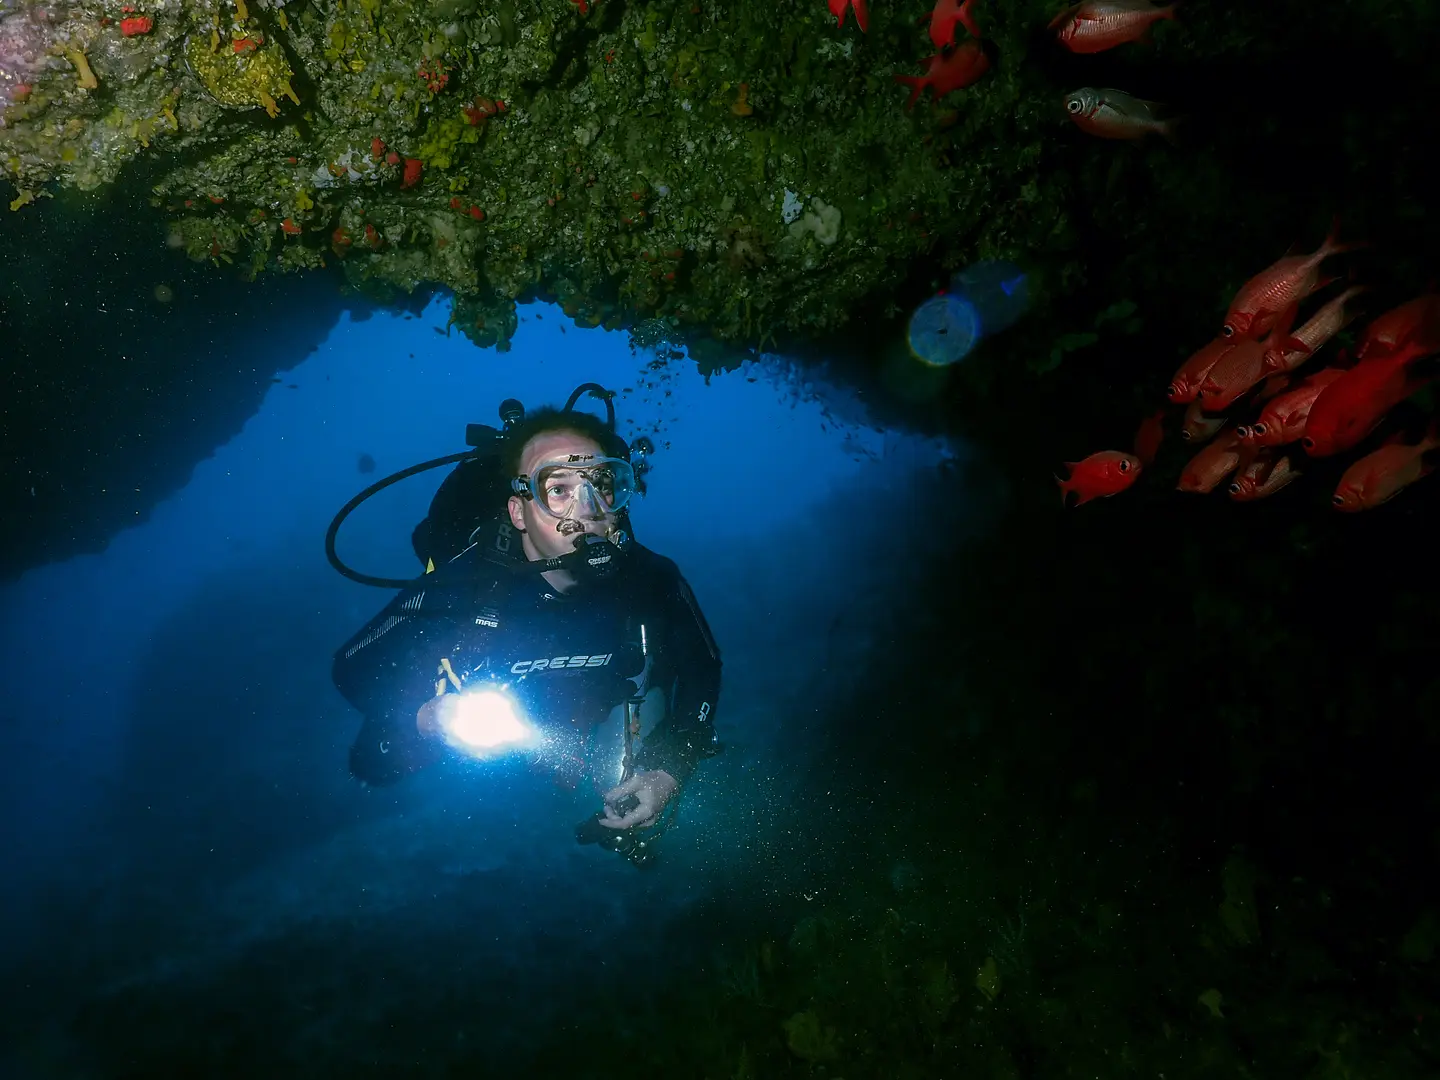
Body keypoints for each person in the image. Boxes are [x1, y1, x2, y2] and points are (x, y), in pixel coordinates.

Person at [331, 405, 722, 853]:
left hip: (586, 699)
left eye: (601, 484)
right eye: (558, 489)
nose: (588, 510)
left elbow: (703, 666)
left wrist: (671, 769)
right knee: (374, 763)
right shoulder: (462, 587)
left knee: (629, 776)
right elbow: (349, 668)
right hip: (482, 696)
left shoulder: (653, 578)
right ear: (519, 513)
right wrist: (426, 718)